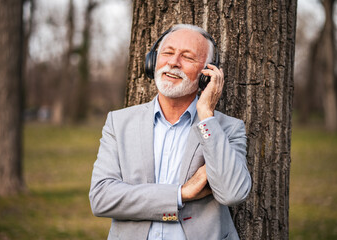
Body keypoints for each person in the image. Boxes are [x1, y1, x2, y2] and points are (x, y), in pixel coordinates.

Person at [89, 24, 251, 240]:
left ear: (207, 74)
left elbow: (232, 193)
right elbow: (101, 198)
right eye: (167, 53)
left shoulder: (227, 128)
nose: (173, 62)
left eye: (188, 57)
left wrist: (206, 115)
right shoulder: (119, 122)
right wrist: (180, 194)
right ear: (152, 61)